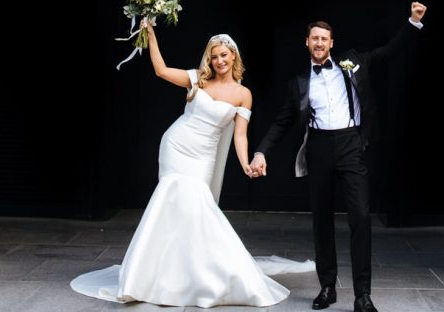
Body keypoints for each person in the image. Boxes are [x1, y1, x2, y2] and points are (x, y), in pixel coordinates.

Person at [70, 21, 310, 307]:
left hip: (202, 157)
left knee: (196, 209)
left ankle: (193, 273)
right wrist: (151, 34)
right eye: (214, 56)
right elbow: (160, 70)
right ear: (209, 58)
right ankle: (152, 276)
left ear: (233, 56)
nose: (219, 60)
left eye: (224, 55)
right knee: (171, 203)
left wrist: (246, 163)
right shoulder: (197, 78)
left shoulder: (243, 94)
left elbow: (240, 136)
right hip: (176, 146)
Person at [249, 2, 427, 312]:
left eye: (324, 39)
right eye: (314, 38)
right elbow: (281, 122)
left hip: (350, 146)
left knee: (360, 217)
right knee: (322, 221)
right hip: (318, 148)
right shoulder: (299, 83)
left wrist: (413, 22)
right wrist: (261, 150)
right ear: (307, 42)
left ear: (332, 43)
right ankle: (327, 287)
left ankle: (362, 295)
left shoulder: (354, 62)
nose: (319, 43)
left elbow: (389, 51)